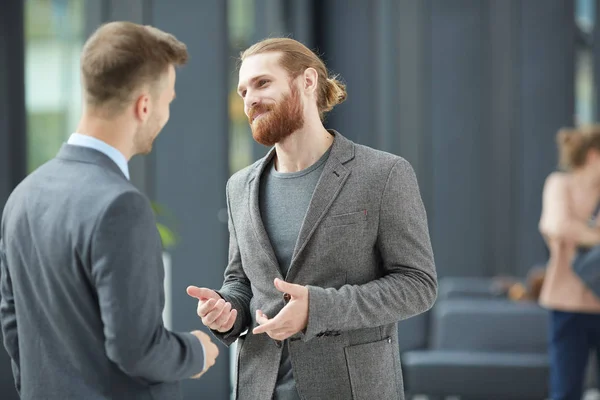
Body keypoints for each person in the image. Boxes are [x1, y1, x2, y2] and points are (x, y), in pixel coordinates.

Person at [187, 37, 437, 400]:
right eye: (243, 91)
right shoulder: (239, 186)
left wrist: (318, 309)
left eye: (262, 83)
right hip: (259, 388)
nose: (249, 100)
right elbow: (241, 280)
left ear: (307, 81)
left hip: (351, 390)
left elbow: (418, 285)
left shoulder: (383, 174)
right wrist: (228, 309)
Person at [0, 21, 218, 400]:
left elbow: (13, 323)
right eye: (168, 101)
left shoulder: (23, 195)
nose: (166, 116)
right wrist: (198, 350)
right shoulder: (121, 206)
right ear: (144, 106)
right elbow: (137, 350)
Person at [539, 125, 600, 400]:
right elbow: (557, 224)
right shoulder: (559, 183)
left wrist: (581, 235)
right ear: (593, 155)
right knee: (566, 390)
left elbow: (566, 228)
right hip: (567, 305)